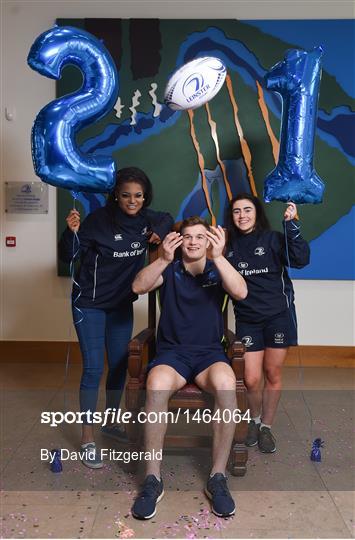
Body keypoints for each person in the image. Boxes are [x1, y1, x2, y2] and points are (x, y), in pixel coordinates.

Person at [130, 216, 247, 519]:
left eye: (200, 236)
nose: (194, 241)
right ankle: (153, 479)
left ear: (208, 241)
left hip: (209, 354)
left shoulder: (217, 267)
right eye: (188, 237)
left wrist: (219, 257)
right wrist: (163, 258)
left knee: (226, 385)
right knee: (155, 386)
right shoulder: (168, 268)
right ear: (179, 240)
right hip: (173, 355)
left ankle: (217, 478)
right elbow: (138, 285)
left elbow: (241, 292)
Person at [58, 167, 173, 469]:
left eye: (138, 195)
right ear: (116, 196)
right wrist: (69, 233)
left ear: (144, 197)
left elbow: (166, 218)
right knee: (94, 369)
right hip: (90, 305)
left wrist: (159, 229)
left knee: (120, 364)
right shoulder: (98, 221)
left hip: (121, 305)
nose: (132, 201)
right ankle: (87, 438)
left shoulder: (147, 220)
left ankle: (111, 422)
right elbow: (67, 256)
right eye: (126, 196)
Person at [226, 193, 310, 453]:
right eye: (237, 211)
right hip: (248, 319)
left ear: (257, 213)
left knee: (272, 373)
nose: (242, 215)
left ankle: (266, 427)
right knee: (251, 378)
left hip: (278, 317)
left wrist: (291, 224)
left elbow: (300, 260)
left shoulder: (273, 239)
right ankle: (253, 420)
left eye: (247, 210)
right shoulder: (228, 247)